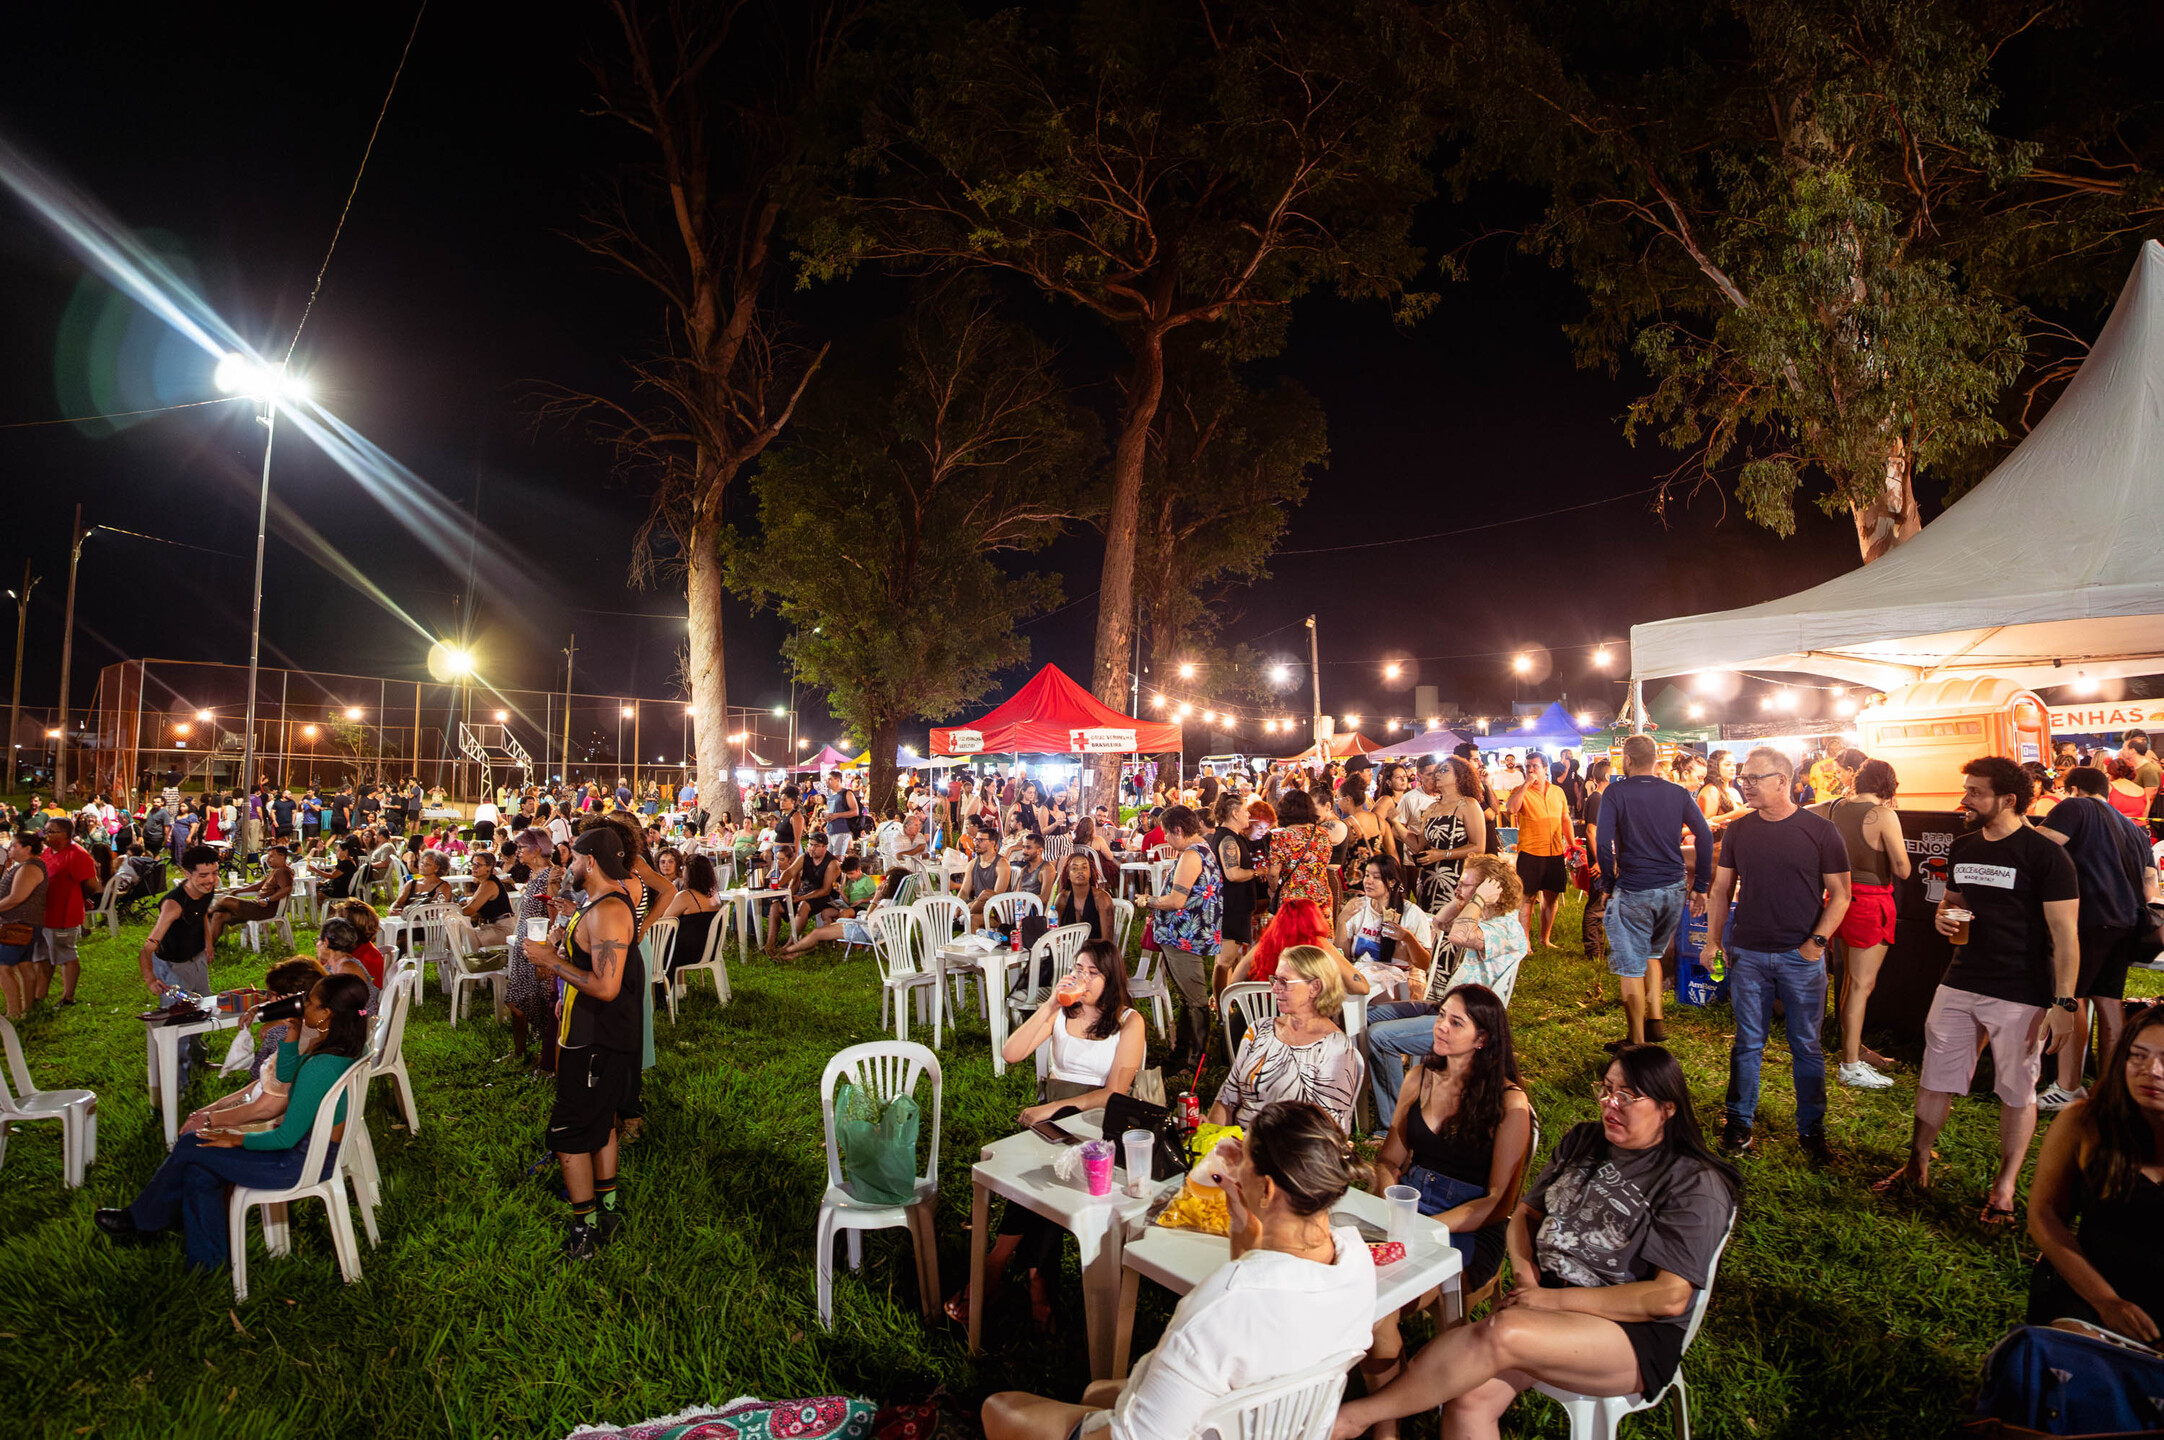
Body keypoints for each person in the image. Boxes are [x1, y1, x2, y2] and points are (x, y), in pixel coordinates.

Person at [1335, 1045, 1740, 1440]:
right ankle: (1369, 1418)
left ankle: (1355, 1418)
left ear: (1667, 1109)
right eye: (1606, 1089)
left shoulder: (1694, 1184)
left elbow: (1667, 1298)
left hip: (1631, 1333)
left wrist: (1550, 1301)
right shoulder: (1586, 1139)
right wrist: (1528, 1281)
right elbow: (1524, 1216)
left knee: (1502, 1331)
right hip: (1547, 1307)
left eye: (1627, 1096)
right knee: (1468, 1396)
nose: (1609, 1104)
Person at [981, 1101, 1377, 1440]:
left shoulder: (1219, 1307)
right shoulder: (1356, 1262)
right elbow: (1258, 1280)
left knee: (998, 1406)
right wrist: (1242, 1213)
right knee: (1094, 1390)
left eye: (1248, 1156)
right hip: (1262, 1422)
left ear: (1270, 1190)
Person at [1876, 758, 2081, 1222]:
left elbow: (2067, 936)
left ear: (2008, 800)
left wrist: (2064, 1001)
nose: (1964, 799)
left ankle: (2004, 1191)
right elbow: (1952, 904)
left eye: (1975, 792)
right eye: (1966, 789)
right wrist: (1941, 918)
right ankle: (1917, 1164)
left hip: (2022, 989)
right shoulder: (1964, 848)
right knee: (1934, 1077)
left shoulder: (2046, 855)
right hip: (1961, 979)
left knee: (2016, 1090)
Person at [94, 973, 372, 1271]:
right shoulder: (346, 1047)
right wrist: (292, 1030)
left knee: (192, 1144)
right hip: (319, 1154)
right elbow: (288, 1077)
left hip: (295, 1164)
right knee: (200, 1167)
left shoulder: (321, 1067)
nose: (303, 1005)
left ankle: (140, 1220)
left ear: (327, 1013)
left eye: (310, 1002)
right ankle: (205, 1263)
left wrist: (236, 1139)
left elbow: (286, 1138)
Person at [949, 939, 1147, 1329]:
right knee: (1041, 1175)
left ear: (1111, 978)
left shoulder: (1129, 1021)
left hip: (1098, 1124)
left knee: (1049, 1178)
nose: (1083, 979)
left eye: (1093, 972)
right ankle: (1037, 1281)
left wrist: (1051, 1109)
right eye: (1078, 969)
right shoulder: (1062, 1011)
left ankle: (996, 1267)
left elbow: (1114, 1094)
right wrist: (1052, 1004)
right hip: (1053, 1123)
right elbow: (1011, 1053)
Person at [1363, 985, 1535, 1435]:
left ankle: (1382, 1423)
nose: (1440, 1026)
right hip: (1409, 1208)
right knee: (1359, 1298)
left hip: (1469, 1227)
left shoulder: (1509, 1105)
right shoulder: (1419, 1078)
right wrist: (1390, 1201)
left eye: (1456, 1022)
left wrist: (1428, 1230)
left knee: (1378, 1310)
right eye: (1441, 1016)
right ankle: (1388, 1425)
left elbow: (1498, 1201)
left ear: (1483, 1039)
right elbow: (1388, 1160)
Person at [1701, 746, 1851, 1162]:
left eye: (1753, 778)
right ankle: (1739, 1125)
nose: (1744, 784)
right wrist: (1713, 941)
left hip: (1800, 956)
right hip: (1747, 953)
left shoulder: (1820, 831)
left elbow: (1841, 895)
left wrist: (1815, 944)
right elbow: (1721, 890)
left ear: (1782, 782)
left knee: (1806, 1044)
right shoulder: (1740, 831)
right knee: (1748, 1042)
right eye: (1744, 778)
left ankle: (1811, 1131)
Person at [522, 825, 646, 1259]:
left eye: (573, 858)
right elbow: (593, 965)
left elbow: (607, 986)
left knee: (569, 1135)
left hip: (594, 1040)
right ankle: (607, 1208)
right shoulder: (599, 902)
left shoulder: (608, 910)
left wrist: (551, 962)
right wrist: (567, 992)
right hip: (593, 1033)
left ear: (590, 861)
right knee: (602, 1123)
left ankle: (586, 1228)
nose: (569, 864)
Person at [2025, 1005, 2164, 1345]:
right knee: (2073, 1361)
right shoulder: (2084, 1122)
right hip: (2090, 1286)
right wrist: (2107, 1301)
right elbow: (2044, 1215)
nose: (2152, 1071)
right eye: (2137, 1056)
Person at [1360, 853, 1529, 1123]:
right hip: (1446, 1008)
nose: (1456, 888)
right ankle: (1390, 1093)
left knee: (1379, 1036)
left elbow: (1458, 935)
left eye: (1464, 884)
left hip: (1470, 1023)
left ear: (1489, 891)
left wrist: (1477, 898)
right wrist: (1467, 895)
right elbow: (1440, 922)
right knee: (1366, 1016)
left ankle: (1393, 1123)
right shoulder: (1483, 920)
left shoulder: (1505, 928)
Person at [2036, 766, 2160, 1108]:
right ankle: (2110, 1088)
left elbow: (2041, 847)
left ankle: (2068, 1085)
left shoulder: (2075, 807)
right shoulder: (2133, 829)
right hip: (2127, 923)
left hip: (2089, 917)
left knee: (2071, 996)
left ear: (2073, 788)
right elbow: (2149, 889)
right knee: (2108, 1002)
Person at [1818, 759, 1912, 1090]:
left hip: (1839, 898)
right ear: (1890, 784)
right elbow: (1903, 869)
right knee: (1861, 986)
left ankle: (1854, 1047)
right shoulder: (1884, 815)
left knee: (1849, 982)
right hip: (1870, 902)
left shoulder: (1837, 807)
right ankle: (1850, 1064)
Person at [1210, 944, 1363, 1133]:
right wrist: (1210, 1138)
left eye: (1284, 982)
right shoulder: (1259, 1029)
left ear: (1315, 987)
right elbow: (1226, 1100)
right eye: (1274, 979)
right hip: (1239, 1145)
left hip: (1290, 1154)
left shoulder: (1335, 1048)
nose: (1274, 989)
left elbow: (1328, 1132)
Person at [179, 956, 326, 1136]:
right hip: (282, 1118)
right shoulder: (314, 1028)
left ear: (291, 1000)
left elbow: (266, 1109)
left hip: (281, 1129)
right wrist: (214, 1108)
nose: (269, 1000)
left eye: (272, 996)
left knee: (190, 1141)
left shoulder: (298, 1041)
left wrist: (209, 1119)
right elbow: (266, 1082)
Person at [1148, 804, 1225, 1068]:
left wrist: (1148, 901)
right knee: (1186, 996)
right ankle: (1181, 1054)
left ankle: (1196, 1061)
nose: (1166, 840)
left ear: (1178, 830)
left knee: (1195, 999)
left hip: (1185, 935)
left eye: (1167, 834)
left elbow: (1176, 900)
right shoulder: (1203, 847)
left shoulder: (1192, 855)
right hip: (1189, 933)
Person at [1338, 854, 1434, 1003]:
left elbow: (1424, 964)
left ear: (1391, 882)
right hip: (1362, 978)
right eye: (1367, 875)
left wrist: (1407, 938)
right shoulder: (1358, 907)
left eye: (1376, 877)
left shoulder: (1412, 914)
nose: (1368, 881)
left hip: (1401, 983)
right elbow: (1341, 957)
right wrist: (1341, 921)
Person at [505, 828, 562, 1075]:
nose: (517, 852)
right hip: (524, 947)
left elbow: (554, 917)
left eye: (521, 848)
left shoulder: (551, 875)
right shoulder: (534, 873)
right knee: (516, 1002)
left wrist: (545, 957)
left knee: (538, 1005)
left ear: (537, 850)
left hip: (537, 949)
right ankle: (519, 1051)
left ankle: (542, 1057)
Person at [1504, 758, 1571, 947]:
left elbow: (1565, 818)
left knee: (1551, 896)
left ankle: (1545, 938)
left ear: (1545, 768)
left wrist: (1571, 843)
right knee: (1527, 898)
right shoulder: (1520, 790)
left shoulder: (1557, 791)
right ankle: (1524, 942)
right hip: (1530, 850)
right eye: (1528, 767)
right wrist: (1526, 784)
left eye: (1535, 766)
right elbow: (1511, 809)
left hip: (1554, 850)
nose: (1531, 770)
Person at [31, 815, 95, 1007]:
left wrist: (81, 897)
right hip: (44, 913)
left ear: (65, 835)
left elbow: (91, 884)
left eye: (50, 831)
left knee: (65, 955)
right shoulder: (47, 852)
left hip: (64, 914)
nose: (45, 835)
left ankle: (68, 997)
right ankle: (39, 995)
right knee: (42, 955)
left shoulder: (77, 854)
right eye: (46, 830)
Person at [1412, 757, 1486, 913]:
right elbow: (1420, 845)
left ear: (1460, 776)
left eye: (1444, 770)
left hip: (1455, 879)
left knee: (1450, 928)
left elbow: (1479, 847)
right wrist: (1394, 824)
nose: (1438, 774)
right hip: (1428, 878)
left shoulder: (1468, 804)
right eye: (1438, 770)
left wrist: (1443, 855)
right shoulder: (1432, 808)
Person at [207, 844, 297, 950]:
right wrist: (238, 891)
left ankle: (207, 914)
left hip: (265, 909)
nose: (268, 859)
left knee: (226, 900)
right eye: (268, 856)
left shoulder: (284, 871)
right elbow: (258, 886)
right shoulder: (275, 871)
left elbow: (287, 888)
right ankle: (208, 947)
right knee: (219, 916)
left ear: (282, 857)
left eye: (272, 856)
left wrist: (268, 899)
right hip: (258, 907)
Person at [0, 830, 49, 1020]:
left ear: (27, 848)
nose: (10, 848)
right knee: (24, 965)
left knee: (3, 967)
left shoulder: (29, 868)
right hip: (26, 923)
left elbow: (16, 898)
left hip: (19, 924)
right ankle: (27, 1008)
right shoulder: (26, 866)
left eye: (14, 845)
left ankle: (14, 1012)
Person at [1052, 850, 1116, 942]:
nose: (1080, 871)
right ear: (1068, 875)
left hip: (1096, 952)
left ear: (1090, 873)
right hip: (1067, 953)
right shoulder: (1062, 899)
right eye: (1074, 868)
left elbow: (1107, 940)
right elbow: (1055, 933)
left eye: (1084, 867)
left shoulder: (1102, 898)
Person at [459, 847, 517, 947]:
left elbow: (470, 909)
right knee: (461, 936)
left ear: (489, 868)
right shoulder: (484, 882)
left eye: (478, 865)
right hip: (491, 927)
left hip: (502, 929)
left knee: (464, 939)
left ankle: (465, 962)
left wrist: (450, 910)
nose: (474, 867)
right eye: (473, 864)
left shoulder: (489, 884)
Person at [960, 828, 1012, 929]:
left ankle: (964, 915)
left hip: (996, 913)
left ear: (992, 843)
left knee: (986, 894)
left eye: (981, 840)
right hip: (977, 907)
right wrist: (957, 906)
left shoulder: (1002, 865)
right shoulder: (973, 864)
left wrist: (972, 905)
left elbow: (996, 897)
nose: (977, 843)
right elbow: (964, 891)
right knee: (944, 907)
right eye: (976, 840)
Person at [390, 849, 456, 913]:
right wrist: (392, 910)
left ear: (437, 868)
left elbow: (438, 911)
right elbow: (398, 903)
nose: (422, 866)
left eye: (427, 864)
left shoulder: (443, 887)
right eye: (421, 862)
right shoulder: (411, 883)